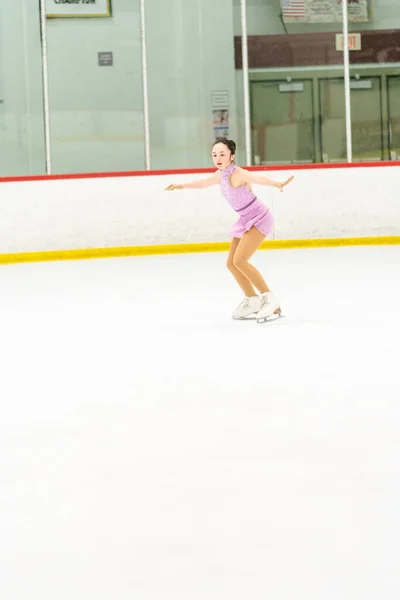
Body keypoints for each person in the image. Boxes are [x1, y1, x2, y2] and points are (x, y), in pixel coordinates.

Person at [165, 138, 294, 323]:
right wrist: (180, 186)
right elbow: (202, 183)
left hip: (260, 217)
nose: (217, 158)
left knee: (240, 260)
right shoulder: (219, 175)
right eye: (214, 154)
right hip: (245, 219)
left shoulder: (238, 173)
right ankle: (253, 299)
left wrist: (276, 183)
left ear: (232, 156)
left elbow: (258, 178)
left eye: (222, 154)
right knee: (231, 264)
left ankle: (269, 298)